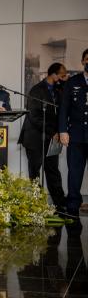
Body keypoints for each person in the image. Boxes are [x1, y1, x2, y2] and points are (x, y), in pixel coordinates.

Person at [19, 63, 68, 212]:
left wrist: (58, 131)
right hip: (34, 138)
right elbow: (34, 116)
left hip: (52, 137)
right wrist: (52, 131)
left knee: (53, 170)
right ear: (53, 74)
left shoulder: (60, 90)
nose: (64, 77)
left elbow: (62, 112)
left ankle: (60, 203)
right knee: (35, 172)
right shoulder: (36, 90)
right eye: (62, 75)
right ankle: (37, 205)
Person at [58, 48, 88, 217]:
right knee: (75, 172)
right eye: (87, 59)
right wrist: (63, 130)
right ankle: (73, 205)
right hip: (76, 135)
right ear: (83, 61)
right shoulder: (73, 81)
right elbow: (64, 108)